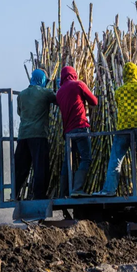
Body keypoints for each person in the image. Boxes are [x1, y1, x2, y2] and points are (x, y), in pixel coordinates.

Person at [94, 62, 137, 197]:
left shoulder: (119, 91)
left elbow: (119, 104)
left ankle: (109, 190)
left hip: (123, 127)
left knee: (116, 159)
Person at [15, 69, 57, 200]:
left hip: (23, 136)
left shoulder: (21, 95)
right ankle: (39, 196)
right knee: (40, 167)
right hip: (38, 135)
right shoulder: (45, 93)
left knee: (21, 168)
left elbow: (19, 112)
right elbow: (59, 100)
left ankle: (14, 193)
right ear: (43, 80)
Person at [56, 66, 98, 197]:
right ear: (74, 75)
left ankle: (63, 192)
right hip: (80, 128)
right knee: (86, 158)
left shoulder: (59, 92)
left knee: (67, 161)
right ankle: (77, 189)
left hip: (68, 132)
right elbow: (94, 102)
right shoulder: (78, 85)